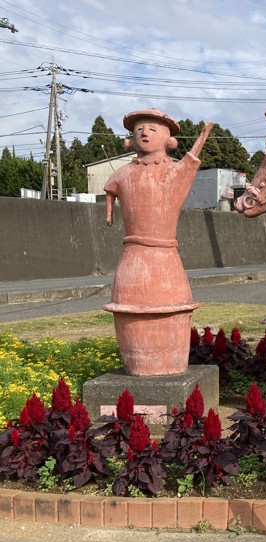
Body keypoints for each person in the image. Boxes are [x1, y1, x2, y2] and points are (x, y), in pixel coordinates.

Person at [103, 108, 213, 376]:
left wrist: (201, 139)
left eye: (153, 129)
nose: (144, 132)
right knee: (131, 313)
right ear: (130, 138)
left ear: (168, 139)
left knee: (170, 312)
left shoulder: (173, 172)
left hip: (166, 261)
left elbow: (189, 163)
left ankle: (169, 367)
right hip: (132, 260)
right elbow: (109, 198)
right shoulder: (121, 174)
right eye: (139, 129)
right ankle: (138, 367)